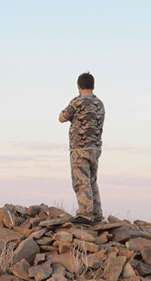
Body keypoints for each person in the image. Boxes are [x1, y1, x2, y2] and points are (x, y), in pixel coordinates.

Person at [59, 72, 105, 225]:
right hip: (95, 148)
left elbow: (62, 118)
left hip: (79, 147)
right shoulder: (100, 103)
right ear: (93, 86)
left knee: (81, 181)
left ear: (78, 86)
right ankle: (97, 214)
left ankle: (85, 214)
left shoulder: (77, 102)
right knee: (92, 181)